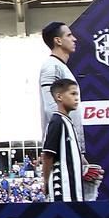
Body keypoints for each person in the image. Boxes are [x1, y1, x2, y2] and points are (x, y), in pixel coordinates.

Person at [39, 22, 86, 158]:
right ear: (58, 40)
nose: (74, 39)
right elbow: (51, 108)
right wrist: (67, 141)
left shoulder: (61, 67)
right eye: (69, 35)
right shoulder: (51, 67)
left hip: (69, 145)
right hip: (62, 146)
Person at [42, 79, 85, 202]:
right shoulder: (57, 122)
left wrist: (86, 167)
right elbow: (48, 155)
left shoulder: (68, 122)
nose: (76, 98)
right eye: (73, 94)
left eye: (77, 94)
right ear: (59, 96)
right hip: (62, 190)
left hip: (74, 190)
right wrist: (46, 182)